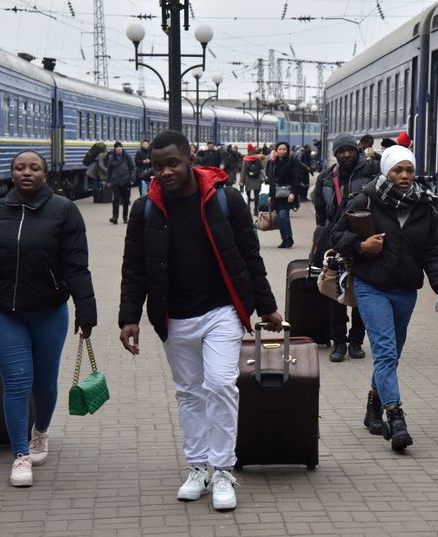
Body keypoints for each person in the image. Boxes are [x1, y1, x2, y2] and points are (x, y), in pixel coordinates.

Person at [118, 130, 283, 511]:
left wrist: (266, 305)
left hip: (221, 312)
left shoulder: (225, 199)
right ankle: (198, 468)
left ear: (190, 158)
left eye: (173, 163)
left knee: (221, 384)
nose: (165, 172)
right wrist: (130, 317)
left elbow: (249, 256)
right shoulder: (144, 210)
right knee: (189, 393)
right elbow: (133, 269)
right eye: (157, 166)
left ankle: (223, 470)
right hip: (174, 317)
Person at [0, 150, 96, 487]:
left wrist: (86, 310)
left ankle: (40, 432)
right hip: (0, 310)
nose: (26, 173)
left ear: (46, 172)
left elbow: (76, 264)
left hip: (48, 310)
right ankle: (20, 456)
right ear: (11, 173)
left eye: (34, 167)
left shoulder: (64, 210)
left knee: (44, 381)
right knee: (17, 382)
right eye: (19, 167)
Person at [329, 144, 438, 452]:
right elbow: (333, 238)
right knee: (385, 352)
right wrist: (361, 247)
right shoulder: (365, 200)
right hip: (371, 286)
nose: (404, 176)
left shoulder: (425, 207)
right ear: (386, 170)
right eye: (397, 169)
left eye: (409, 170)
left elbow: (437, 252)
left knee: (392, 354)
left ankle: (373, 405)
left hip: (405, 291)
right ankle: (395, 418)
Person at [313, 132, 380, 363]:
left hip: (364, 241)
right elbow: (320, 212)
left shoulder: (373, 172)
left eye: (350, 150)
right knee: (335, 293)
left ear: (357, 150)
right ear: (336, 154)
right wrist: (322, 236)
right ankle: (338, 343)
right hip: (336, 241)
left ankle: (356, 342)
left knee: (361, 293)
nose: (346, 154)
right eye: (341, 151)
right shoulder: (325, 178)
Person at [266, 141, 303, 248]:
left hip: (288, 194)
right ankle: (284, 239)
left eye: (284, 149)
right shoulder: (274, 162)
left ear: (287, 150)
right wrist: (270, 195)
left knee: (283, 215)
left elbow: (296, 178)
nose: (282, 151)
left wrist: (293, 193)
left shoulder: (292, 161)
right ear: (276, 150)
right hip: (276, 194)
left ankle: (289, 237)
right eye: (279, 149)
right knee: (279, 217)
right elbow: (271, 179)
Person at [107, 141, 136, 224]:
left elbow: (133, 167)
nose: (119, 148)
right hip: (115, 181)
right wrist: (109, 181)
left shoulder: (127, 156)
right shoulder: (111, 158)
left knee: (125, 200)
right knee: (115, 199)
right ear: (115, 149)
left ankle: (125, 217)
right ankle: (115, 217)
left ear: (122, 148)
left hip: (126, 181)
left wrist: (132, 179)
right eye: (117, 147)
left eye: (120, 147)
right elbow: (109, 170)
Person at [242, 144, 264, 216]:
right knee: (256, 194)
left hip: (248, 178)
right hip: (257, 178)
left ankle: (248, 209)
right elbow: (261, 168)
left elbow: (243, 170)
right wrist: (263, 178)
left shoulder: (245, 158)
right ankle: (256, 210)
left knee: (248, 194)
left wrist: (242, 181)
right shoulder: (257, 158)